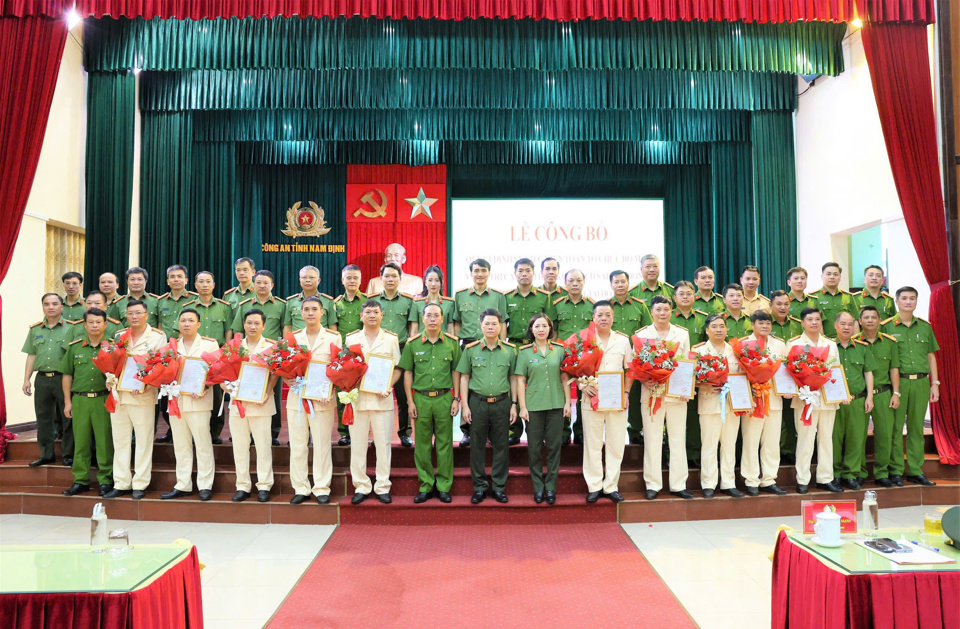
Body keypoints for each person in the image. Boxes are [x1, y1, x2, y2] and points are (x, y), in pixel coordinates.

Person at [104, 299, 168, 500]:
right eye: (130, 313)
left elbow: (162, 364)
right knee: (120, 441)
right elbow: (113, 364)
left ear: (146, 315)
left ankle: (140, 483)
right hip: (120, 396)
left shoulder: (158, 337)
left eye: (138, 313)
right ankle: (121, 482)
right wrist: (110, 379)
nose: (134, 317)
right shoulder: (119, 335)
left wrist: (148, 382)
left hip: (143, 396)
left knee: (143, 441)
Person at [401, 303, 462, 504]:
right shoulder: (413, 343)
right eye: (429, 315)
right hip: (421, 398)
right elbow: (408, 373)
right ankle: (426, 485)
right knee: (422, 445)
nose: (433, 319)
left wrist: (456, 398)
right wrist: (410, 401)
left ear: (443, 319)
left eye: (437, 315)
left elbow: (456, 372)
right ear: (423, 318)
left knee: (445, 443)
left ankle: (444, 486)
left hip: (444, 398)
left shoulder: (453, 343)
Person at [634, 296, 692, 500]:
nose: (662, 313)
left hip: (677, 394)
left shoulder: (682, 334)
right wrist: (644, 380)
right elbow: (636, 365)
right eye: (658, 309)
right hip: (652, 393)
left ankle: (678, 484)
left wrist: (687, 387)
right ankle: (653, 483)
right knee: (652, 438)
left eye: (666, 309)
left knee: (677, 438)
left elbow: (685, 363)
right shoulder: (641, 335)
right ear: (652, 311)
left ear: (671, 311)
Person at [285, 297, 342, 505]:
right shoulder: (293, 338)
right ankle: (300, 487)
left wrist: (331, 388)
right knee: (298, 445)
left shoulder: (334, 338)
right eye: (306, 309)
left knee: (321, 444)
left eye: (314, 309)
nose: (310, 313)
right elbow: (284, 367)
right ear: (301, 313)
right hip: (297, 398)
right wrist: (286, 378)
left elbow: (338, 368)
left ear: (322, 313)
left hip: (322, 399)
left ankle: (321, 487)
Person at [881, 287, 940, 486]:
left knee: (916, 428)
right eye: (904, 298)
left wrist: (935, 384)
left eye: (912, 298)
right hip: (899, 383)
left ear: (916, 301)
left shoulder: (924, 326)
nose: (908, 302)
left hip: (922, 382)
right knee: (896, 428)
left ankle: (915, 470)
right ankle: (896, 470)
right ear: (897, 301)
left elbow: (931, 356)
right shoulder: (886, 327)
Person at [456, 309, 516, 504]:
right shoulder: (471, 349)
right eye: (487, 324)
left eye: (494, 324)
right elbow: (464, 378)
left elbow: (514, 379)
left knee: (501, 446)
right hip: (477, 403)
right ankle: (480, 487)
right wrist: (465, 405)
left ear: (501, 326)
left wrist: (514, 404)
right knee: (477, 446)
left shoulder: (510, 350)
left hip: (502, 403)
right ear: (480, 326)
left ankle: (499, 487)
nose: (490, 327)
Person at [346, 300, 402, 504]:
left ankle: (382, 485)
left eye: (375, 312)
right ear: (361, 315)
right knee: (358, 445)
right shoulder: (351, 339)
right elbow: (343, 367)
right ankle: (361, 485)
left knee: (383, 444)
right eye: (367, 312)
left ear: (381, 315)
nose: (371, 315)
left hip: (381, 400)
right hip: (358, 401)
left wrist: (389, 386)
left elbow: (397, 369)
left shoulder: (390, 339)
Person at [160, 308, 219, 501]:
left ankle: (205, 485)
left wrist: (205, 386)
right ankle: (183, 484)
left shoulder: (210, 345)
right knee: (181, 445)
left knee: (202, 444)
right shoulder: (171, 346)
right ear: (178, 324)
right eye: (183, 320)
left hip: (199, 401)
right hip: (176, 401)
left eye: (191, 320)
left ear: (198, 324)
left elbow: (217, 372)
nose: (186, 324)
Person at [515, 313, 570, 504]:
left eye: (544, 326)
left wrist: (568, 403)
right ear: (531, 329)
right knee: (535, 448)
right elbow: (520, 380)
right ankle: (538, 487)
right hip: (534, 406)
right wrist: (522, 407)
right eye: (537, 326)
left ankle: (551, 487)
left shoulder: (560, 350)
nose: (541, 330)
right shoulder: (524, 352)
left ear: (550, 329)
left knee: (554, 447)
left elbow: (565, 378)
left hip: (556, 404)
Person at [454, 258, 508, 447]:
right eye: (476, 270)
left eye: (483, 270)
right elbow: (456, 322)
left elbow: (502, 324)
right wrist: (456, 346)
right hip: (468, 345)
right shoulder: (460, 295)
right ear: (471, 273)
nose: (480, 274)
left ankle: (491, 431)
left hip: (493, 346)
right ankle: (467, 431)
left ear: (489, 273)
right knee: (467, 390)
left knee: (491, 386)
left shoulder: (499, 296)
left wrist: (502, 345)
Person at [60, 308, 114, 497]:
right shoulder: (75, 348)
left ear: (105, 325)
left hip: (103, 400)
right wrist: (68, 402)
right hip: (80, 400)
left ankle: (106, 480)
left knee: (104, 442)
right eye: (91, 322)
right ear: (84, 325)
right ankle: (80, 480)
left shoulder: (113, 348)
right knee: (80, 442)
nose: (94, 325)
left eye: (98, 322)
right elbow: (67, 375)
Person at [788, 308, 842, 494]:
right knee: (805, 439)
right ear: (802, 322)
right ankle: (802, 479)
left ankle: (825, 478)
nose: (814, 322)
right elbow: (789, 372)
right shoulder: (794, 344)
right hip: (805, 400)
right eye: (809, 319)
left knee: (826, 439)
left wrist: (840, 393)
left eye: (817, 319)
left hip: (827, 398)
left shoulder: (831, 344)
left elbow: (835, 371)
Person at [227, 309, 278, 502]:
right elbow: (223, 373)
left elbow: (274, 373)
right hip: (238, 403)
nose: (253, 326)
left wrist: (268, 391)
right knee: (239, 446)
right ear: (244, 324)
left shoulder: (271, 347)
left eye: (257, 323)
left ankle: (264, 485)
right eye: (249, 323)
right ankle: (242, 485)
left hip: (261, 403)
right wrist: (228, 387)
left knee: (263, 446)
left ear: (264, 326)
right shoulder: (234, 346)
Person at [230, 270, 286, 445]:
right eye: (259, 282)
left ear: (272, 285)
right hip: (247, 354)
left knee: (273, 394)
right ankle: (244, 428)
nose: (262, 286)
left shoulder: (280, 305)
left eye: (266, 283)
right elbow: (238, 330)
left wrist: (280, 355)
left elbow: (285, 330)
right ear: (254, 284)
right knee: (245, 389)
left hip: (271, 355)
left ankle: (273, 432)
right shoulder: (244, 304)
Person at [740, 310, 789, 496]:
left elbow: (785, 371)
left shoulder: (779, 344)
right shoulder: (744, 344)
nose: (765, 326)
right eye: (761, 323)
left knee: (772, 441)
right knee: (751, 440)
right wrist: (749, 389)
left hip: (774, 398)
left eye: (768, 323)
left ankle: (769, 479)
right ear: (752, 325)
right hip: (752, 400)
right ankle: (751, 479)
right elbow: (739, 374)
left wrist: (788, 390)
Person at [694, 314, 743, 498]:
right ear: (707, 330)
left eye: (722, 326)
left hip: (732, 404)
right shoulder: (699, 351)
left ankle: (728, 483)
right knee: (709, 444)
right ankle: (708, 483)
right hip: (709, 403)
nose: (719, 330)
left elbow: (743, 377)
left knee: (729, 444)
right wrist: (703, 382)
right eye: (714, 326)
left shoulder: (735, 351)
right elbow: (691, 380)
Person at [504, 258, 551, 445]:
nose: (524, 274)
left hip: (536, 346)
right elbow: (502, 325)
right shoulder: (506, 297)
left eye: (528, 271)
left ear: (534, 273)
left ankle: (539, 429)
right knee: (513, 388)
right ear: (515, 273)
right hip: (514, 346)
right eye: (520, 271)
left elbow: (549, 325)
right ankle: (514, 430)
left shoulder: (543, 297)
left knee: (537, 387)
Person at [22, 293, 71, 467]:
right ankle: (46, 453)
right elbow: (31, 355)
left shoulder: (71, 328)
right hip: (42, 379)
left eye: (55, 304)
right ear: (42, 306)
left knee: (67, 418)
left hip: (63, 379)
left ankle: (68, 454)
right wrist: (26, 379)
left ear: (62, 306)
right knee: (43, 418)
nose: (51, 307)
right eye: (46, 304)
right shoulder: (35, 329)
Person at [545, 268, 593, 445]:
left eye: (578, 281)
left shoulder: (591, 305)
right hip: (562, 354)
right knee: (561, 393)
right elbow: (552, 330)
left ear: (584, 282)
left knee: (585, 392)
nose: (575, 284)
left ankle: (580, 430)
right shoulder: (557, 304)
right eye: (571, 281)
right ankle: (563, 430)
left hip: (585, 357)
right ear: (565, 283)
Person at [184, 271, 232, 444]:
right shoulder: (189, 307)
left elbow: (228, 332)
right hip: (193, 356)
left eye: (208, 282)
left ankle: (215, 431)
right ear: (195, 285)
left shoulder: (224, 306)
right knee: (192, 392)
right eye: (201, 282)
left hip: (216, 355)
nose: (205, 285)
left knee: (216, 395)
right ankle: (190, 430)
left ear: (214, 285)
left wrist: (225, 356)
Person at [832, 311, 878, 490]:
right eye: (843, 324)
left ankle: (850, 474)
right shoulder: (828, 347)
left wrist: (870, 397)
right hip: (834, 402)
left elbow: (868, 372)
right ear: (835, 325)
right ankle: (834, 474)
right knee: (833, 439)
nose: (846, 327)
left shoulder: (862, 347)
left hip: (858, 400)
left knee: (856, 438)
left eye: (850, 324)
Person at [372, 263, 416, 447]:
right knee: (377, 395)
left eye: (394, 276)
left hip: (401, 349)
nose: (390, 279)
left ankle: (404, 433)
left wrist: (410, 350)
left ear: (400, 278)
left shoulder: (408, 301)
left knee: (403, 395)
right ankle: (377, 435)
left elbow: (412, 328)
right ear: (381, 278)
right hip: (378, 351)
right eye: (387, 276)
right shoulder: (373, 300)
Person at [857, 305, 901, 487]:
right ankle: (858, 472)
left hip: (884, 393)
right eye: (866, 317)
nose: (869, 320)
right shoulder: (853, 342)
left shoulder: (890, 342)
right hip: (860, 396)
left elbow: (894, 369)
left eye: (873, 317)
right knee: (857, 436)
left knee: (884, 434)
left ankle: (882, 472)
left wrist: (896, 393)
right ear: (859, 321)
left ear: (879, 320)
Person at [609, 270, 651, 445]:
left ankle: (634, 429)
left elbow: (648, 331)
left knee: (633, 394)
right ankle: (612, 432)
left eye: (623, 282)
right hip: (612, 356)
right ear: (611, 284)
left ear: (629, 284)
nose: (620, 285)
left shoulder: (639, 305)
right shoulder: (605, 306)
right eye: (616, 282)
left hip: (634, 358)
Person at [670, 280, 708, 469]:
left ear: (695, 296)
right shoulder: (668, 318)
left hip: (695, 375)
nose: (685, 297)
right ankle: (670, 455)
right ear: (674, 297)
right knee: (672, 417)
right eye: (681, 294)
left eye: (688, 294)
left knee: (693, 417)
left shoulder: (702, 318)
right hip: (672, 375)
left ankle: (693, 453)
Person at [333, 264, 366, 446]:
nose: (352, 281)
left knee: (361, 394)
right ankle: (344, 431)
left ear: (360, 280)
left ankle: (361, 430)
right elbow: (333, 329)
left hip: (362, 355)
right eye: (349, 278)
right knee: (342, 395)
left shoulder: (367, 302)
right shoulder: (336, 303)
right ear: (342, 280)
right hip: (342, 356)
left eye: (355, 278)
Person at [769, 289, 803, 465]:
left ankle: (788, 449)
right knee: (772, 418)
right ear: (771, 305)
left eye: (786, 304)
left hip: (792, 377)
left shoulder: (797, 325)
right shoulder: (766, 324)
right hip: (769, 378)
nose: (783, 307)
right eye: (779, 304)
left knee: (790, 415)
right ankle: (772, 449)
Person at [283, 265, 338, 335]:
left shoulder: (328, 301)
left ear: (319, 280)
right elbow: (287, 326)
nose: (307, 280)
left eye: (311, 277)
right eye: (304, 277)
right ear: (300, 280)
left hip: (321, 342)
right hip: (297, 343)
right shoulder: (291, 301)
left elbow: (332, 326)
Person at [811, 262, 858, 339]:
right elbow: (815, 323)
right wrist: (823, 343)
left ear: (840, 277)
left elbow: (855, 321)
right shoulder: (814, 297)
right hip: (826, 342)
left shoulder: (848, 296)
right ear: (822, 276)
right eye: (828, 274)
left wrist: (855, 341)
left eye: (835, 274)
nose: (832, 277)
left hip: (846, 342)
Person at [410, 265, 457, 336]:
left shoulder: (449, 303)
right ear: (425, 282)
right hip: (422, 344)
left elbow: (450, 330)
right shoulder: (417, 303)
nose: (433, 284)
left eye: (437, 280)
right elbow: (414, 330)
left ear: (441, 283)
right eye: (430, 280)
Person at [156, 265, 196, 339]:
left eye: (179, 276)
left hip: (187, 344)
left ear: (186, 280)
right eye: (172, 277)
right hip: (166, 345)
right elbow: (160, 325)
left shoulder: (195, 299)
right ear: (168, 281)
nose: (176, 279)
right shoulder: (161, 301)